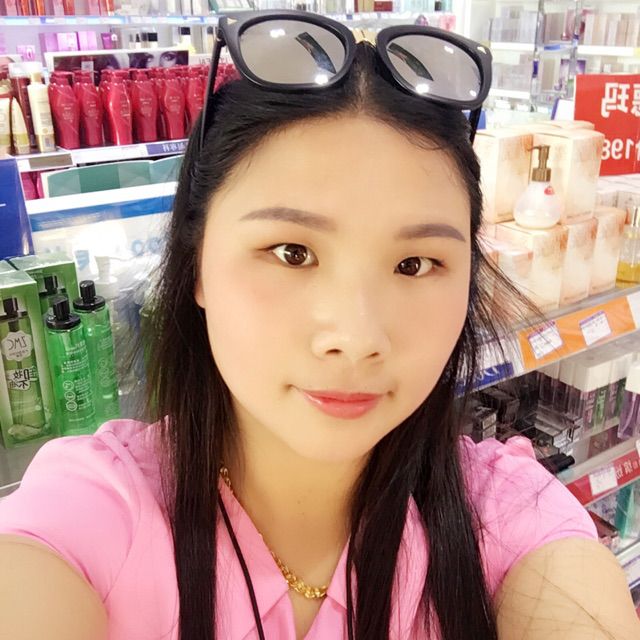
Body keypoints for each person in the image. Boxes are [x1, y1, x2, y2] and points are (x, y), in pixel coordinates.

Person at [1, 11, 639, 640]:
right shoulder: (93, 513)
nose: (356, 338)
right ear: (196, 266)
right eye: (292, 253)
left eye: (415, 264)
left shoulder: (508, 520)